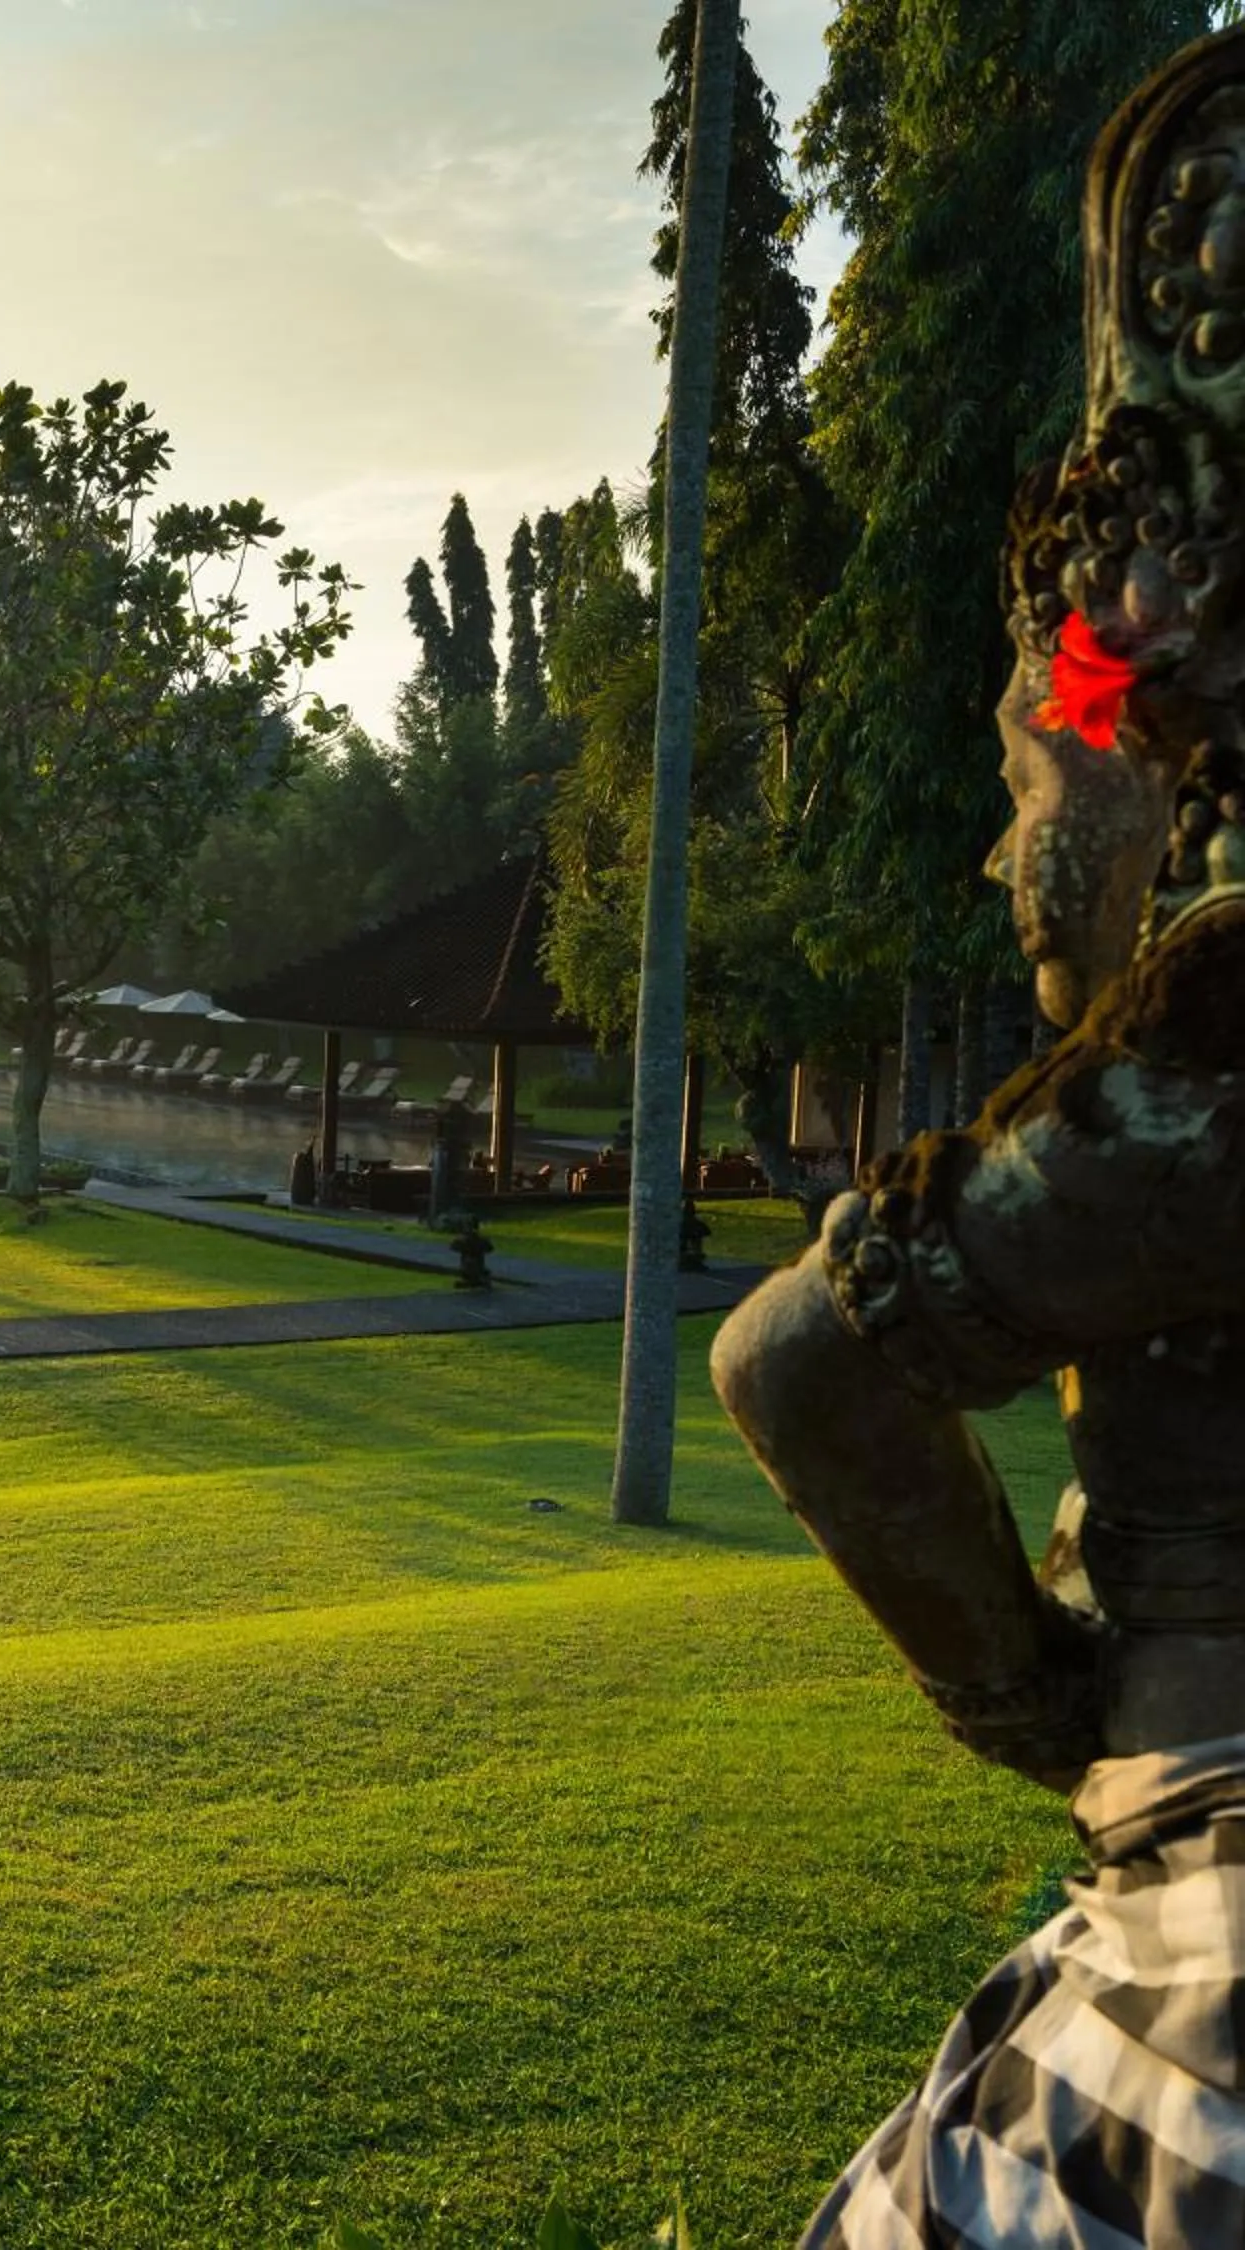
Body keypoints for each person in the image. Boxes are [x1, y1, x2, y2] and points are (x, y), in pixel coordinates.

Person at [711, 29, 1245, 2242]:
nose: (1009, 848)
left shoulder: (1217, 1021)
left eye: (1037, 772)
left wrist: (1033, 1699)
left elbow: (799, 1365)